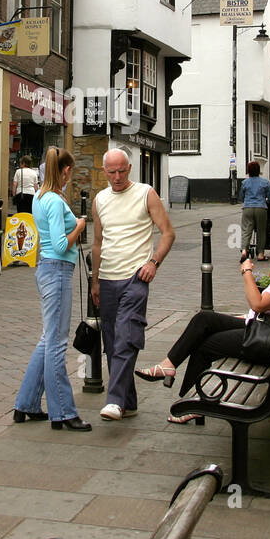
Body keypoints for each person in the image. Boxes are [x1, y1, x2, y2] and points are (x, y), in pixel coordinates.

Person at [136, 227, 270, 422]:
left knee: (204, 345)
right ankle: (169, 366)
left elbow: (258, 304)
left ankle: (193, 403)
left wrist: (246, 272)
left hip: (265, 343)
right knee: (205, 318)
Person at [90, 148, 175, 421]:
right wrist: (94, 281)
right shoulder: (100, 199)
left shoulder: (145, 193)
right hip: (107, 278)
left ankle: (114, 401)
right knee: (112, 342)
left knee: (127, 335)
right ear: (104, 172)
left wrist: (153, 263)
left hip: (136, 277)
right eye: (111, 172)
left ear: (130, 169)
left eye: (122, 171)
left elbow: (168, 233)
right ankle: (129, 402)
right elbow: (98, 243)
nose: (117, 177)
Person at [13, 147, 91, 431]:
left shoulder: (39, 198)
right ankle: (64, 412)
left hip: (45, 268)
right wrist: (80, 226)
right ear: (66, 170)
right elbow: (60, 244)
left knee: (47, 339)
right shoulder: (56, 202)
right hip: (58, 270)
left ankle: (26, 404)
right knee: (57, 343)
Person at [238, 161, 270, 259]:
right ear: (259, 170)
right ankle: (260, 254)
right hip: (261, 208)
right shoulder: (265, 182)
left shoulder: (244, 182)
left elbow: (241, 197)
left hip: (247, 208)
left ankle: (244, 251)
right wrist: (268, 200)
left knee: (246, 230)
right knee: (261, 231)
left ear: (248, 171)